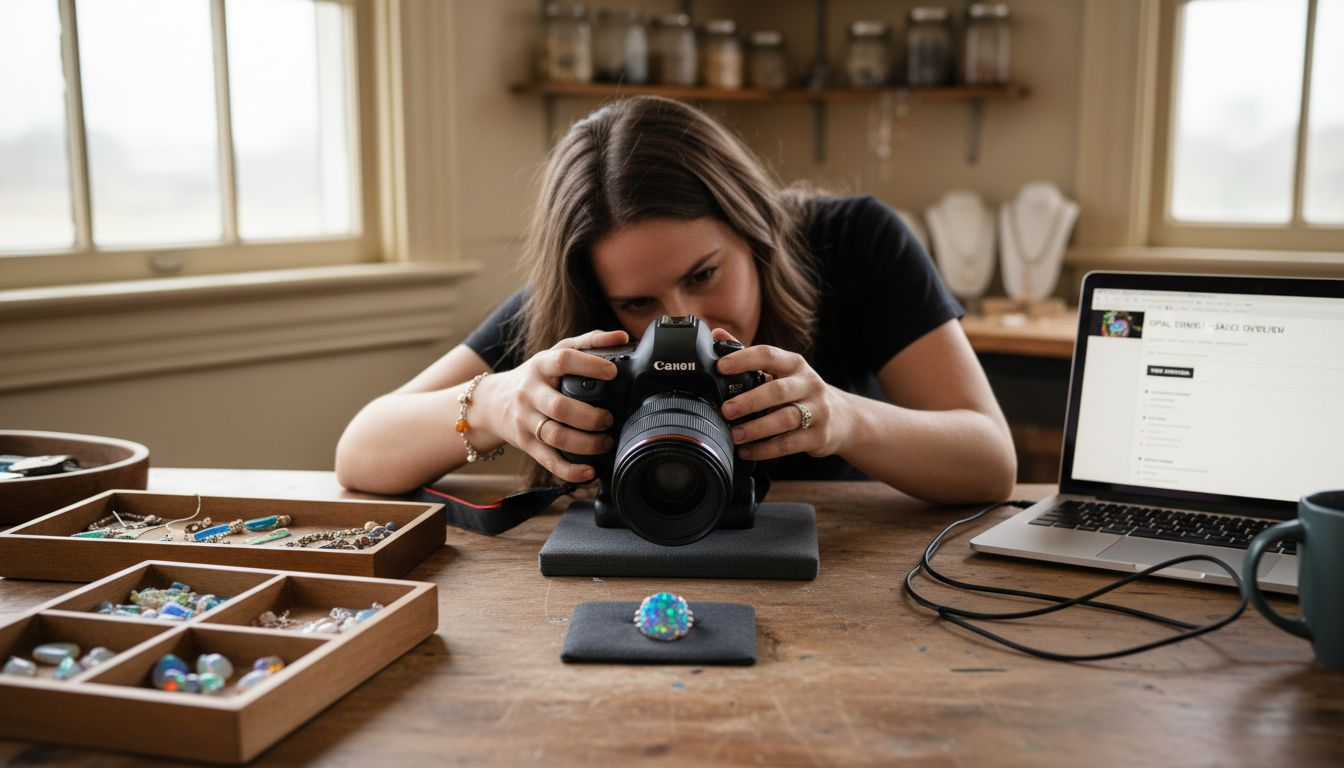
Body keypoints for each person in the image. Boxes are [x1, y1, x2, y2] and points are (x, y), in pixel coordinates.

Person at [336, 96, 1016, 504]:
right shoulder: (583, 302)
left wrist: (843, 418)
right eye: (637, 304)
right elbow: (361, 450)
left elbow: (991, 462)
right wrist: (492, 403)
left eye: (704, 274)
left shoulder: (857, 242)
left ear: (754, 226)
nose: (682, 321)